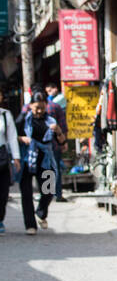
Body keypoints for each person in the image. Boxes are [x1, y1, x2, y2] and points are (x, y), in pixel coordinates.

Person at [17, 93, 66, 235]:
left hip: (46, 159)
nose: (39, 111)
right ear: (31, 105)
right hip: (27, 159)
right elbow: (12, 136)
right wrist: (22, 138)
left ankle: (41, 213)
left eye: (42, 108)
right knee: (26, 193)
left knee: (49, 190)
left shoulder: (51, 120)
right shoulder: (23, 120)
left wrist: (58, 131)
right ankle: (30, 225)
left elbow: (62, 142)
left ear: (46, 105)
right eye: (37, 107)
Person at [43, 85, 68, 201]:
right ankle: (58, 194)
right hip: (55, 143)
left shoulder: (32, 108)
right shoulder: (55, 106)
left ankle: (47, 194)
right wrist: (64, 142)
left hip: (42, 145)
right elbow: (63, 126)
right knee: (55, 167)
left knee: (46, 169)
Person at [1, 101, 20, 234]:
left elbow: (12, 137)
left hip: (1, 155)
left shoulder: (5, 115)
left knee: (2, 191)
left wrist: (16, 157)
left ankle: (0, 219)